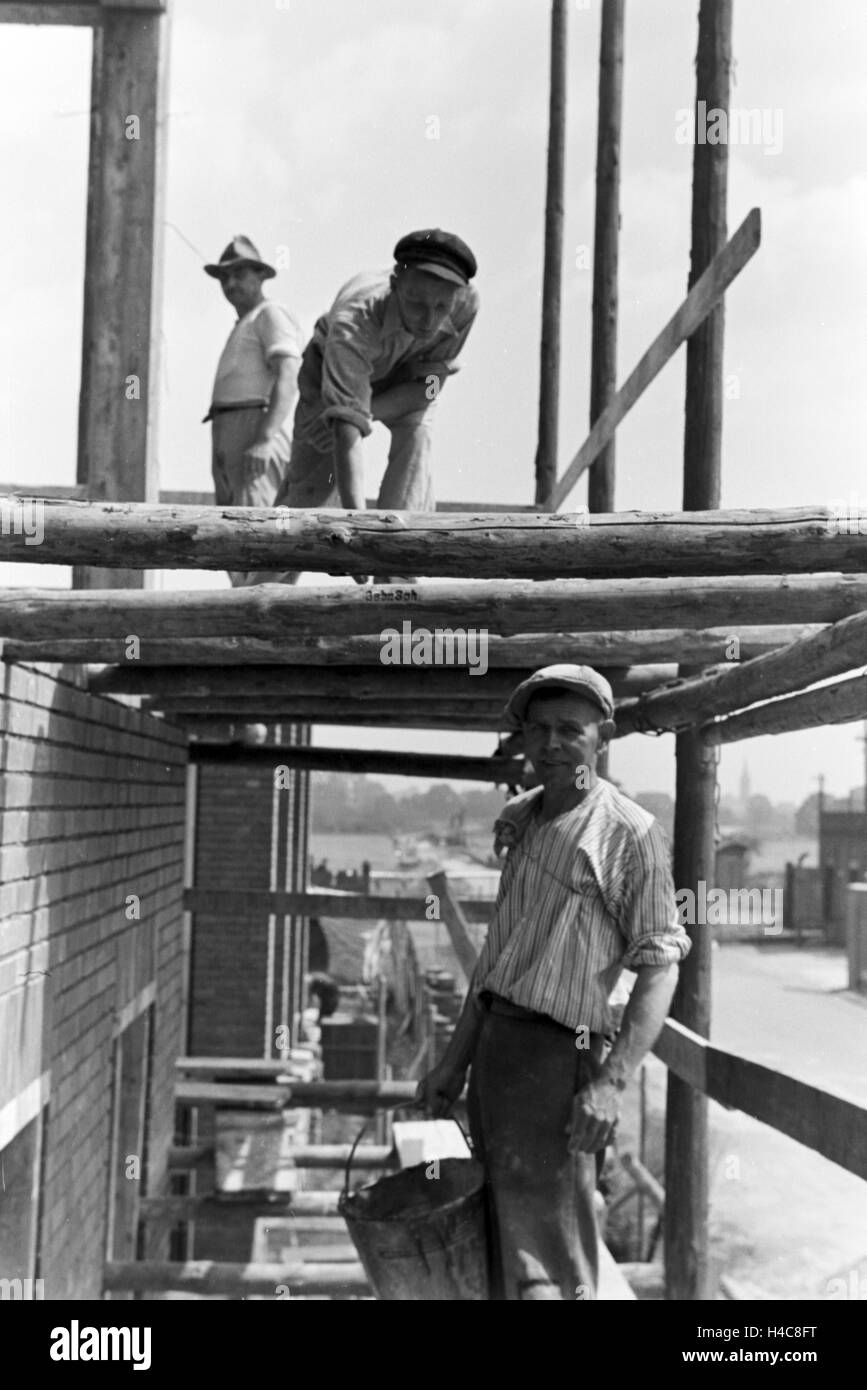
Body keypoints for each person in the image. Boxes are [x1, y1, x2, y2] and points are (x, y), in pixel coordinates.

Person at [417, 664, 691, 1301]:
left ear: (604, 736)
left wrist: (610, 1084)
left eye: (570, 729)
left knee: (557, 1263)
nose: (551, 744)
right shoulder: (522, 821)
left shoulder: (630, 833)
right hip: (497, 1062)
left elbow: (661, 965)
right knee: (503, 1246)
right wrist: (452, 1064)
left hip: (560, 1065)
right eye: (538, 730)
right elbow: (495, 967)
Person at [260, 228, 479, 585]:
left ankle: (395, 575)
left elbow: (432, 386)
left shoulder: (467, 303)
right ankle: (262, 604)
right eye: (417, 304)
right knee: (306, 498)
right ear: (395, 285)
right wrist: (355, 535)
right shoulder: (354, 320)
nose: (428, 319)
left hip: (404, 382)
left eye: (441, 307)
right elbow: (347, 431)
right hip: (331, 379)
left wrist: (369, 408)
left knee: (417, 442)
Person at [203, 235, 304, 585]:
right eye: (224, 277)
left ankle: (264, 627)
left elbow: (288, 376)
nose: (230, 284)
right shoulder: (244, 324)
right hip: (229, 434)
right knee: (233, 541)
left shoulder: (270, 314)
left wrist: (264, 437)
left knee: (259, 537)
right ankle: (246, 627)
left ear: (260, 276)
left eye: (240, 274)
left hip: (255, 431)